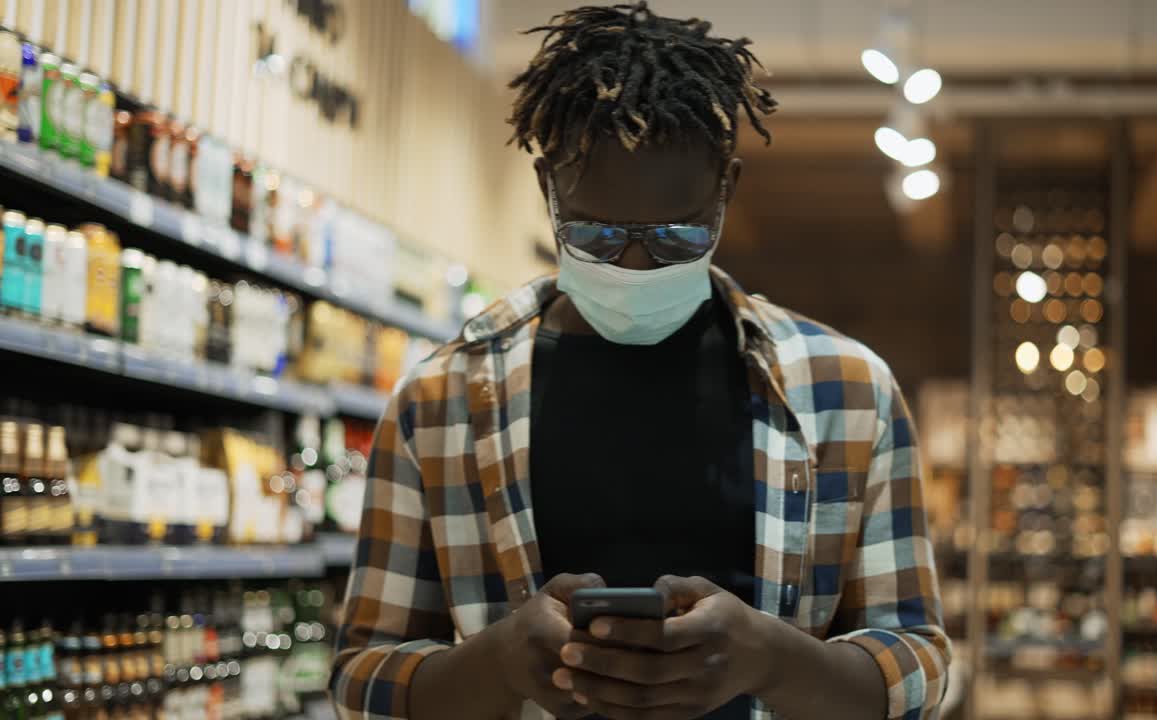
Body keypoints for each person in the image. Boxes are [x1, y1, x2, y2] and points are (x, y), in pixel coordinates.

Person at [329, 3, 949, 719]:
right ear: (547, 191)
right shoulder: (440, 399)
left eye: (676, 236)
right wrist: (496, 666)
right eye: (594, 235)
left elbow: (919, 667)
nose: (633, 262)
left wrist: (771, 659)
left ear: (727, 190)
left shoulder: (848, 393)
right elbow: (360, 681)